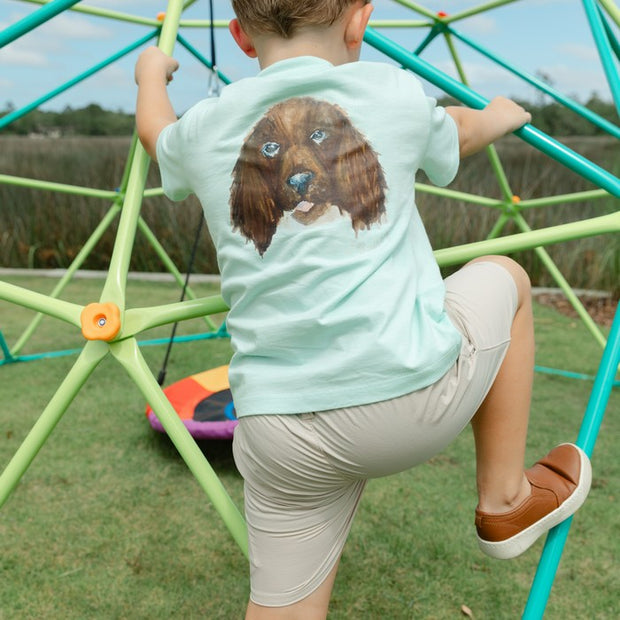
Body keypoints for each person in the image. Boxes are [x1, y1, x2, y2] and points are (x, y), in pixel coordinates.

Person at [134, 2, 592, 617]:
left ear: (239, 36)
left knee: (283, 608)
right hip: (405, 401)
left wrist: (148, 75)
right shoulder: (392, 91)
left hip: (275, 428)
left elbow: (156, 135)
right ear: (359, 21)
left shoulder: (206, 126)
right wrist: (495, 116)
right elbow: (455, 132)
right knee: (506, 275)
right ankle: (506, 498)